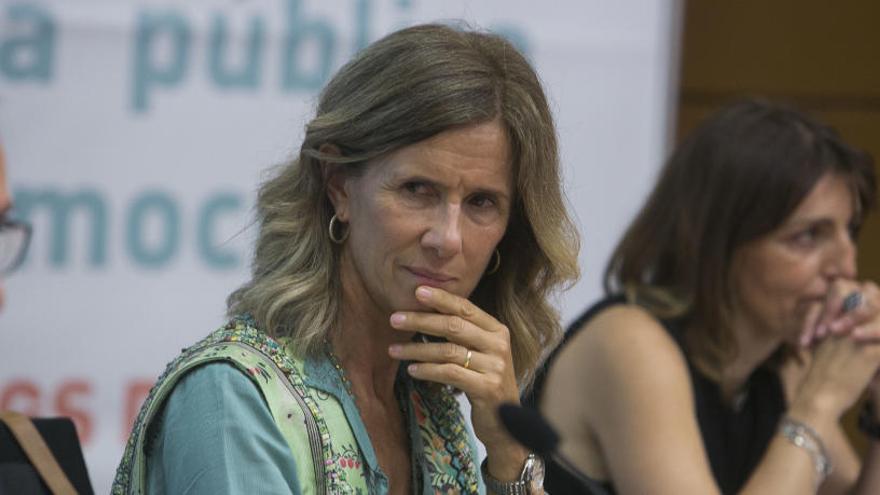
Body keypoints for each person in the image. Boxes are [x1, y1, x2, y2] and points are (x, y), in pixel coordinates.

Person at [113, 23, 579, 494]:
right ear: (338, 186)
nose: (448, 239)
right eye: (417, 190)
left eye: (481, 203)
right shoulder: (234, 397)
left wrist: (507, 455)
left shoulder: (430, 407)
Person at [530, 99, 880, 494]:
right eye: (807, 237)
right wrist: (821, 401)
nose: (846, 269)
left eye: (849, 232)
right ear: (719, 244)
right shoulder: (629, 344)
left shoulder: (781, 363)